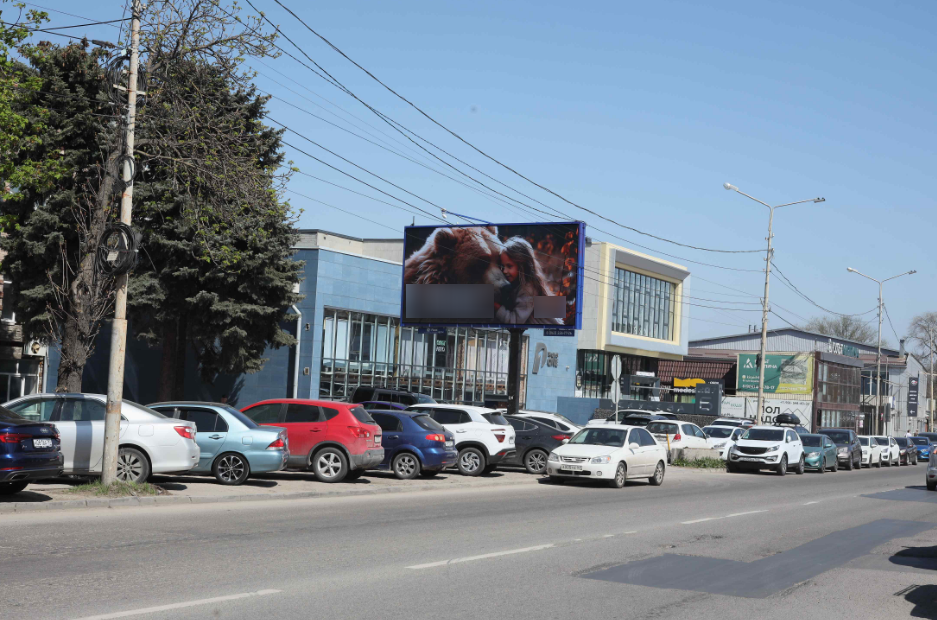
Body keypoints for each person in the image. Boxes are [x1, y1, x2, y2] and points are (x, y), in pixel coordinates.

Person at [493, 237, 561, 325]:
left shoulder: (528, 289)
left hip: (549, 333)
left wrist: (495, 306)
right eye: (503, 266)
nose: (504, 271)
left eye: (509, 266)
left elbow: (515, 321)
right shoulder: (523, 284)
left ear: (522, 266)